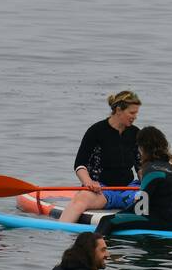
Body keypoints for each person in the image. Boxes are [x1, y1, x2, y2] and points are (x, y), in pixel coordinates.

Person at [97, 126, 172, 235]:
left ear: (142, 148)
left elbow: (141, 208)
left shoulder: (151, 169)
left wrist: (120, 215)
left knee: (107, 220)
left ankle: (95, 247)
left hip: (160, 223)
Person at [59, 91, 142, 223]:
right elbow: (80, 164)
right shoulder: (96, 131)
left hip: (129, 190)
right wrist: (89, 182)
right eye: (132, 113)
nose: (135, 117)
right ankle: (61, 229)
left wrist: (150, 184)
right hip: (101, 191)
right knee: (81, 199)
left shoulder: (136, 133)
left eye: (136, 113)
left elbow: (141, 167)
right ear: (118, 110)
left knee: (153, 197)